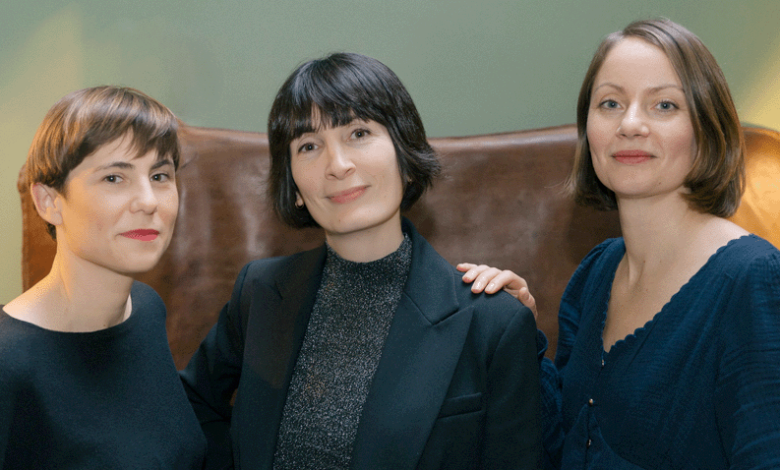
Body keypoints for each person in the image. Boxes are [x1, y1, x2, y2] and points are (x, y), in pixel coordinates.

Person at [180, 52, 542, 470]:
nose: (338, 165)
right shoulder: (259, 292)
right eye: (309, 146)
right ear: (294, 185)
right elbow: (193, 407)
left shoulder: (493, 321)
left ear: (405, 155)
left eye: (358, 133)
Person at [461, 18, 780, 469]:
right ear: (588, 128)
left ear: (707, 128)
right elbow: (561, 449)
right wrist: (520, 332)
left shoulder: (754, 280)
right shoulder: (595, 272)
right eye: (610, 103)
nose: (630, 124)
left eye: (664, 105)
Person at [0, 86, 206, 469]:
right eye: (114, 178)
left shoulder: (146, 309)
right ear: (49, 202)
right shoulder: (9, 362)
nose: (149, 201)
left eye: (161, 175)